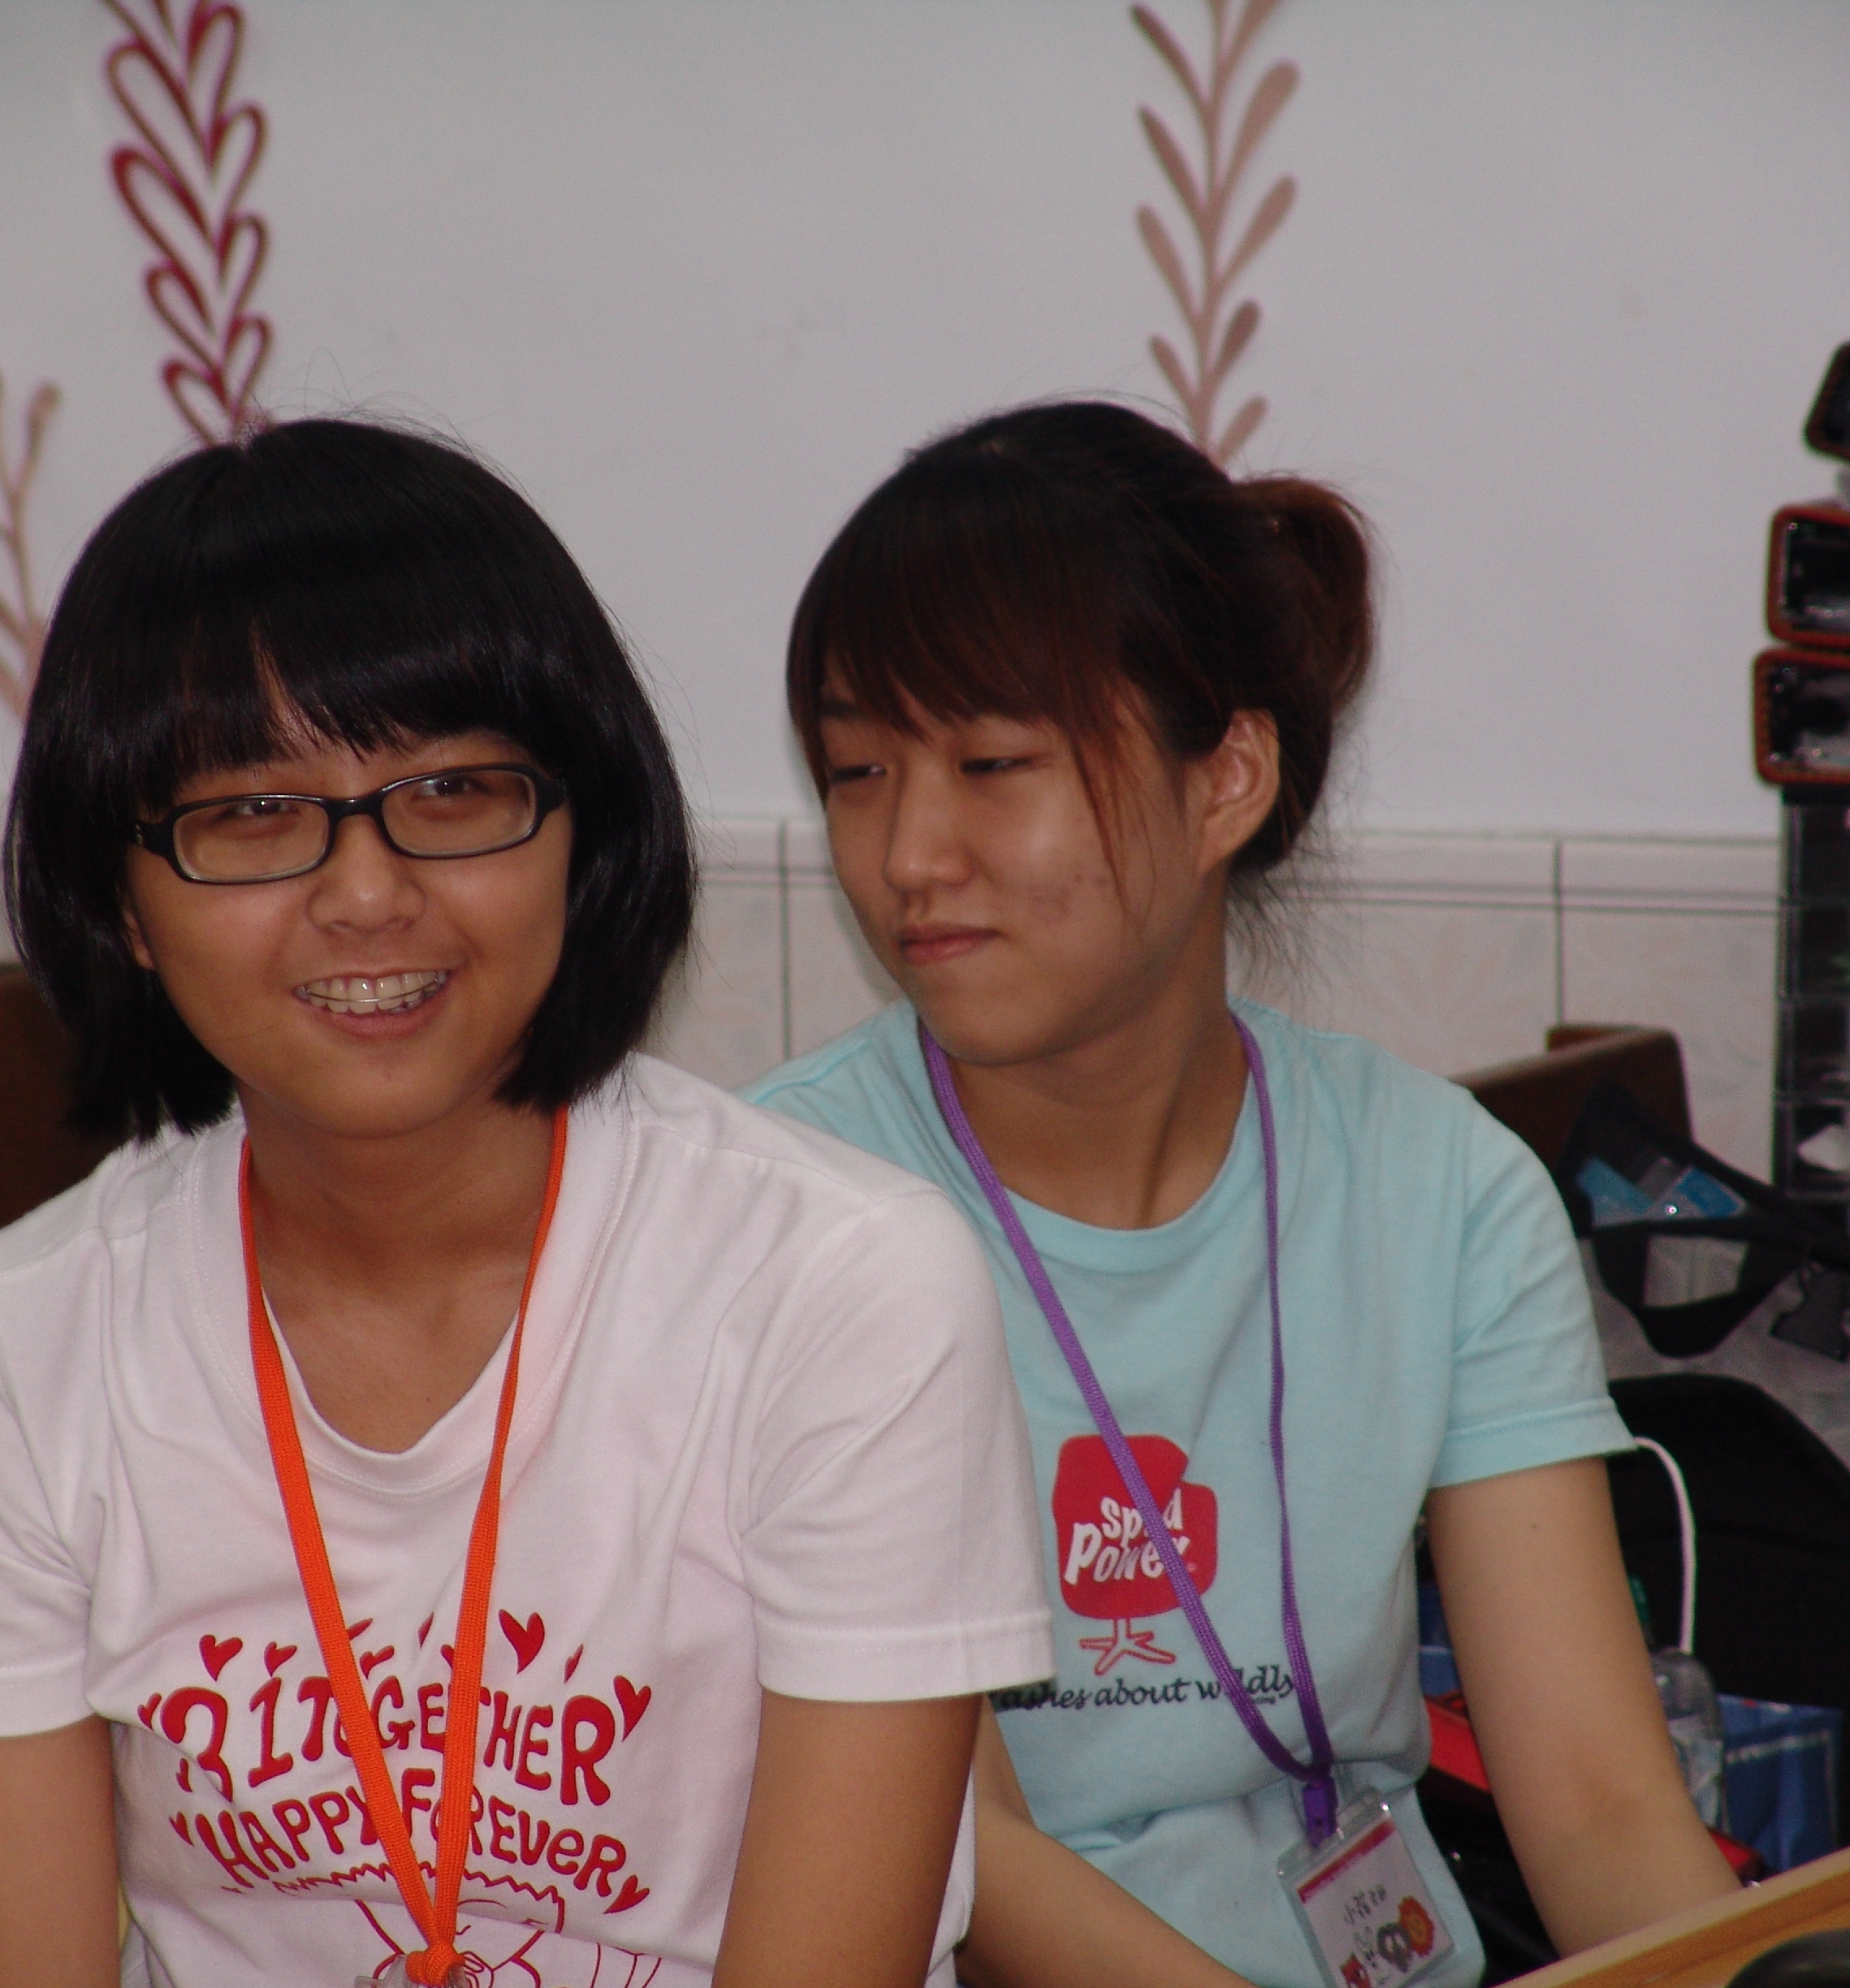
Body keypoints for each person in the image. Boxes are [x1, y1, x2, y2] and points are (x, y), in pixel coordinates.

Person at [0, 418, 1055, 1988]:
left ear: (581, 830)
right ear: (121, 904)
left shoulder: (842, 1292)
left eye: (456, 790)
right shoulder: (2, 1362)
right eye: (251, 813)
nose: (366, 893)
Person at [745, 402, 1741, 1988]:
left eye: (992, 765)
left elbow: (1605, 1807)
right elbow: (960, 1853)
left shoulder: (1443, 1192)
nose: (911, 851)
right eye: (858, 771)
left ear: (1226, 782)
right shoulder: (786, 1214)